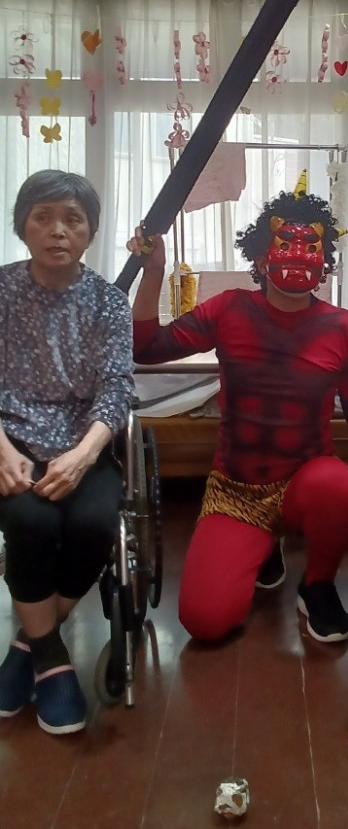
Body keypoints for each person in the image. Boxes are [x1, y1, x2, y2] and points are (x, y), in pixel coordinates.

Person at [129, 185, 348, 645]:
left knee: (341, 487)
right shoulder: (230, 308)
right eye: (285, 245)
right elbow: (146, 348)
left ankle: (317, 585)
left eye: (310, 247)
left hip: (306, 482)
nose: (298, 256)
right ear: (261, 258)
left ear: (325, 260)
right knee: (204, 621)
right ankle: (264, 547)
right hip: (235, 490)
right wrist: (154, 271)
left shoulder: (341, 326)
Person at [0, 171, 134, 734]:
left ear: (90, 232)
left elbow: (117, 388)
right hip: (11, 441)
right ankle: (52, 659)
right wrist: (2, 450)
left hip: (86, 442)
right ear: (22, 226)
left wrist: (83, 455)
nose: (58, 231)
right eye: (44, 217)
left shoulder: (108, 301)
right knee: (30, 522)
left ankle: (28, 645)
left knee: (94, 525)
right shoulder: (2, 291)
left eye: (73, 220)